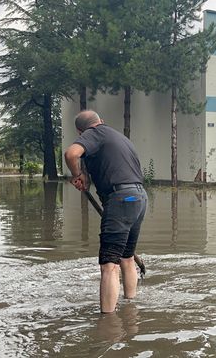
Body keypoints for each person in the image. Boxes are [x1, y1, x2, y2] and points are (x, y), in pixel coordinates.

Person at [64, 111, 148, 313]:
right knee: (126, 258)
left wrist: (77, 175)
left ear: (80, 130)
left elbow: (71, 154)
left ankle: (108, 323)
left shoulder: (95, 133)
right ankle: (130, 308)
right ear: (101, 120)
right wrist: (85, 175)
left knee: (109, 264)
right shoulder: (119, 137)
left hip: (120, 199)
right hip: (140, 197)